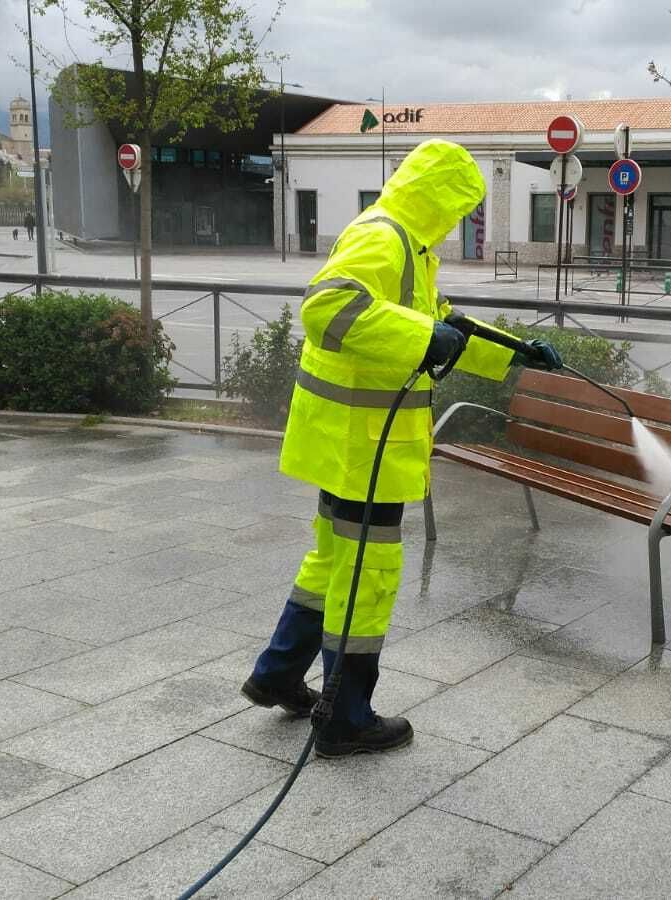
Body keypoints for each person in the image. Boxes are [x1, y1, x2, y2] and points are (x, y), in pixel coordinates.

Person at [241, 139, 562, 758]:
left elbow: (442, 323)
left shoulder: (409, 246)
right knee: (370, 573)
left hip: (347, 441)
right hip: (363, 447)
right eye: (458, 207)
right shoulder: (384, 238)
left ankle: (278, 672)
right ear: (435, 196)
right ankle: (345, 719)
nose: (458, 220)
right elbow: (327, 306)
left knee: (334, 560)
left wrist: (514, 354)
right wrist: (421, 336)